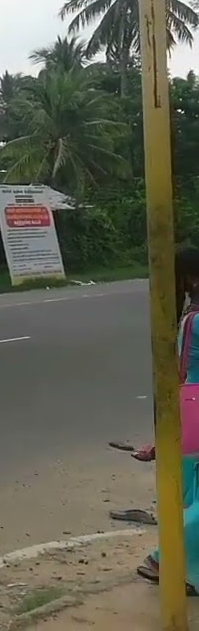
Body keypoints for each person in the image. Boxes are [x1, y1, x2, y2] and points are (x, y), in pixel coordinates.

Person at [137, 248, 199, 593]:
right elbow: (178, 374)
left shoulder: (190, 317)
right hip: (196, 410)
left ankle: (180, 569)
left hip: (188, 412)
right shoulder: (196, 320)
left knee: (190, 498)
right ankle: (164, 560)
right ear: (192, 280)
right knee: (193, 501)